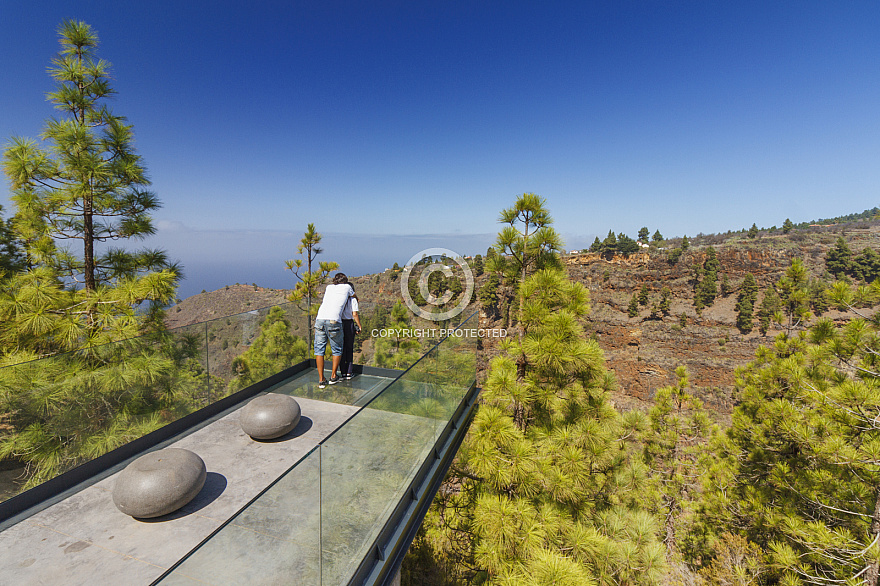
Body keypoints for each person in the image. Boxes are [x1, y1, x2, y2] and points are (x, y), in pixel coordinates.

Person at [314, 273, 356, 388]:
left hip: (320, 319)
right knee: (337, 349)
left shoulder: (329, 287)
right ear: (346, 281)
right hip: (334, 320)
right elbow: (354, 297)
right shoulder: (348, 287)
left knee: (319, 350)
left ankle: (321, 379)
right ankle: (333, 376)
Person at [339, 284, 362, 380]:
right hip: (349, 324)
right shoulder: (353, 300)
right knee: (349, 348)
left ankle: (342, 372)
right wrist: (359, 326)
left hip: (340, 323)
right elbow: (355, 314)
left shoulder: (339, 299)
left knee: (341, 348)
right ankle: (349, 372)